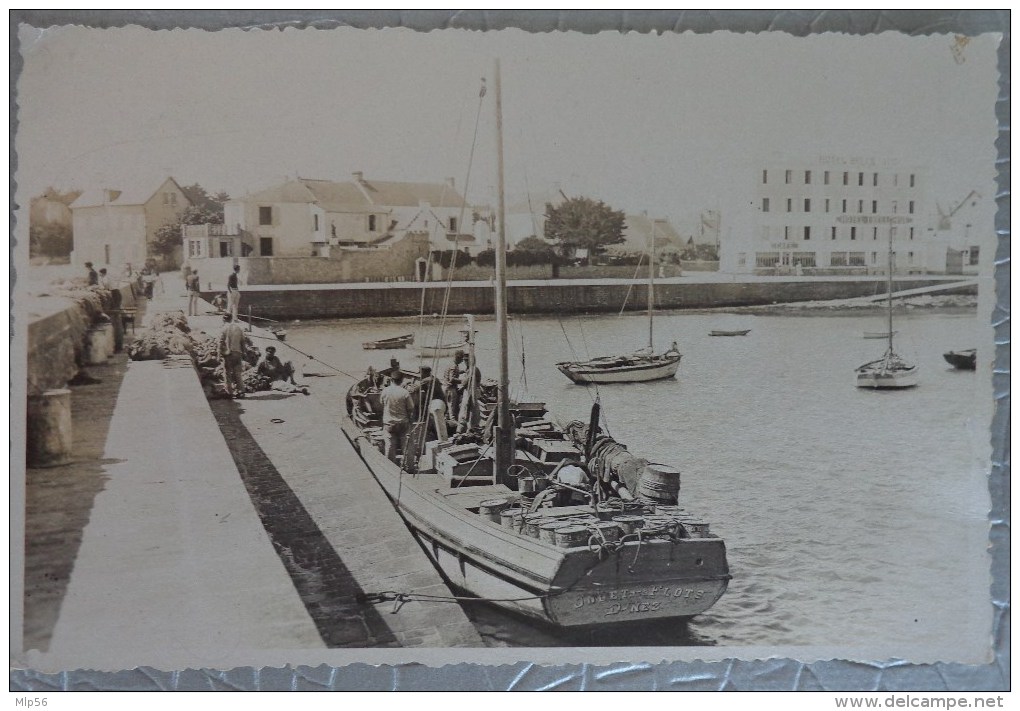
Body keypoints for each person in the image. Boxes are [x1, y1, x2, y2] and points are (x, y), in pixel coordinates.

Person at [380, 370, 415, 464]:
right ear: (402, 380)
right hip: (403, 423)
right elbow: (411, 408)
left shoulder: (385, 391)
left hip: (389, 424)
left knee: (390, 446)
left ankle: (390, 466)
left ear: (391, 379)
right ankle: (410, 467)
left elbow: (382, 403)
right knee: (407, 446)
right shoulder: (405, 393)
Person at [409, 366, 447, 441]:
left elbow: (413, 390)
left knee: (433, 421)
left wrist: (409, 384)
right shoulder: (434, 378)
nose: (420, 375)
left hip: (435, 403)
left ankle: (435, 437)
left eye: (421, 373)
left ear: (425, 372)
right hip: (442, 403)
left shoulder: (427, 380)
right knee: (437, 423)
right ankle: (438, 437)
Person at [218, 313, 247, 399]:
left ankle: (229, 392)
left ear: (223, 319)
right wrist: (244, 352)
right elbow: (243, 341)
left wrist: (219, 354)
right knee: (238, 373)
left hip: (228, 353)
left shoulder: (223, 328)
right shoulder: (238, 328)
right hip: (237, 353)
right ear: (231, 319)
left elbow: (220, 341)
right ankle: (241, 391)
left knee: (227, 373)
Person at [443, 350, 467, 421]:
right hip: (451, 389)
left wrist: (462, 371)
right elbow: (452, 379)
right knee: (452, 408)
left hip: (446, 388)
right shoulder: (454, 366)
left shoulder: (451, 364)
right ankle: (452, 423)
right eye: (462, 359)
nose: (462, 361)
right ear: (458, 357)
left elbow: (453, 373)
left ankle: (448, 420)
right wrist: (463, 381)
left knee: (448, 407)